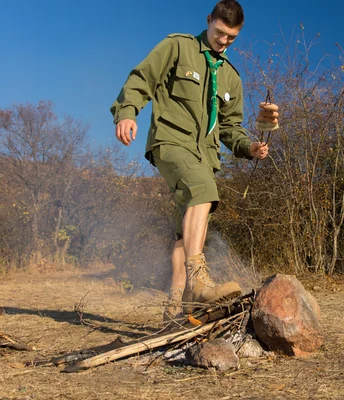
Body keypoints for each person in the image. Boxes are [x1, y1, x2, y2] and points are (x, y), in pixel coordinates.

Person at [110, 0, 279, 323]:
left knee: (184, 233)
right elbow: (142, 78)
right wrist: (128, 112)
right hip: (171, 142)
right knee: (203, 191)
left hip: (205, 156)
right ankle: (199, 284)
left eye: (231, 37)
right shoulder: (178, 47)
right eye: (219, 33)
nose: (224, 41)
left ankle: (175, 307)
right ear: (209, 21)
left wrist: (250, 148)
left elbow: (231, 129)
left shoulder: (230, 77)